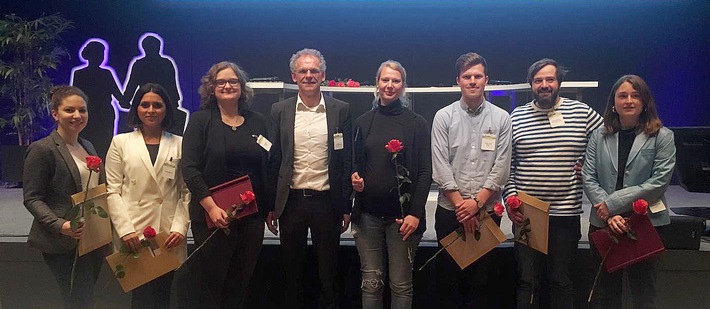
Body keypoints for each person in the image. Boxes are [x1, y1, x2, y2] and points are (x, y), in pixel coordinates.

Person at [503, 58, 603, 309]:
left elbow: (607, 141)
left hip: (565, 213)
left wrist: (589, 166)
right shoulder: (517, 116)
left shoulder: (582, 112)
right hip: (528, 213)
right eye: (538, 80)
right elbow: (508, 164)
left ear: (559, 82)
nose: (544, 85)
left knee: (561, 280)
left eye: (550, 79)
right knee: (528, 281)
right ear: (531, 85)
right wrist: (511, 199)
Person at [179, 61, 271, 308]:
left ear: (242, 87)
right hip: (214, 217)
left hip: (251, 217)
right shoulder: (200, 121)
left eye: (233, 81)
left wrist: (268, 207)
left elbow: (268, 165)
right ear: (212, 87)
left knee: (241, 282)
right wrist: (211, 207)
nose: (228, 86)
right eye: (221, 82)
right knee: (211, 282)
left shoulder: (258, 122)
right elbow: (189, 168)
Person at [267, 48, 352, 309]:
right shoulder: (279, 110)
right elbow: (274, 160)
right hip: (291, 202)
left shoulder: (341, 110)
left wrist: (346, 205)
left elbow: (345, 160)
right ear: (294, 76)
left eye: (314, 70)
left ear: (323, 75)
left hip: (327, 202)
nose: (308, 75)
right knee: (291, 273)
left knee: (328, 273)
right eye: (303, 71)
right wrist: (271, 206)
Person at [583, 75, 675, 309]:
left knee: (643, 295)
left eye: (635, 95)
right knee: (606, 295)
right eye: (622, 95)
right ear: (613, 102)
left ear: (645, 102)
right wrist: (609, 214)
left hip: (645, 223)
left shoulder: (663, 136)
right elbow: (589, 176)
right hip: (604, 222)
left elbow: (659, 183)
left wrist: (612, 203)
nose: (629, 100)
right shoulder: (599, 135)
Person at [431, 52, 512, 307]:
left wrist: (476, 204)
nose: (473, 81)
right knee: (449, 281)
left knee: (482, 281)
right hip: (450, 213)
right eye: (467, 76)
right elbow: (440, 165)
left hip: (487, 212)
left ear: (486, 80)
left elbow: (502, 166)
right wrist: (462, 206)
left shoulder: (502, 118)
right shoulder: (443, 117)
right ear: (458, 81)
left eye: (478, 76)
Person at [350, 60, 432, 309]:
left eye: (395, 81)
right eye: (385, 80)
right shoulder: (363, 122)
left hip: (403, 221)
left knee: (400, 285)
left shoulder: (417, 123)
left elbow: (425, 171)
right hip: (367, 218)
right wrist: (355, 178)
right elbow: (355, 163)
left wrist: (416, 214)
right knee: (371, 284)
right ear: (377, 84)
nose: (389, 85)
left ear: (403, 86)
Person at [105, 83, 190, 308]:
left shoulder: (180, 144)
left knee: (164, 294)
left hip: (168, 232)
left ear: (166, 109)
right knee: (140, 297)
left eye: (157, 105)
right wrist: (125, 230)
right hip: (134, 230)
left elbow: (185, 190)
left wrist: (180, 228)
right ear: (137, 109)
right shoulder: (120, 142)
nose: (151, 110)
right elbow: (112, 190)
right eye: (145, 105)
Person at [23, 85, 105, 308]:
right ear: (55, 113)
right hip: (62, 241)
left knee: (85, 298)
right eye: (70, 110)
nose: (77, 116)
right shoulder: (43, 149)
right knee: (76, 300)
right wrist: (61, 225)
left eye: (82, 110)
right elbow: (32, 198)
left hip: (92, 239)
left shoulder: (87, 146)